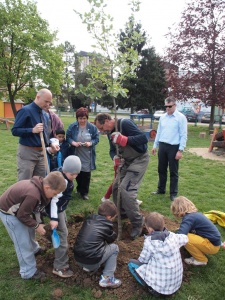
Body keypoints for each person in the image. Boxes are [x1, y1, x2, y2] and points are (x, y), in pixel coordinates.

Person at [0, 171, 66, 280]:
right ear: (47, 187)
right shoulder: (33, 195)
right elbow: (22, 215)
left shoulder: (41, 187)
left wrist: (38, 223)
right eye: (55, 194)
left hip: (22, 211)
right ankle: (28, 272)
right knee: (22, 241)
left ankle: (35, 249)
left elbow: (34, 209)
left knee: (30, 230)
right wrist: (37, 226)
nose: (54, 196)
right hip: (9, 213)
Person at [94, 113, 149, 239]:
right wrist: (115, 157)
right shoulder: (109, 133)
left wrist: (125, 140)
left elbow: (143, 139)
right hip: (125, 162)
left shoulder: (124, 124)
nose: (102, 131)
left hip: (139, 159)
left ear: (108, 120)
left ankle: (137, 222)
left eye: (102, 128)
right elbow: (112, 150)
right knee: (115, 188)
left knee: (126, 190)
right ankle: (123, 214)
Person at [128, 212, 188, 297]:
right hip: (175, 286)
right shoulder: (173, 236)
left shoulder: (150, 242)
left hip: (159, 290)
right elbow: (185, 239)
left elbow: (142, 260)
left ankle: (148, 287)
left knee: (131, 264)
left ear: (151, 230)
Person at [45, 155, 82, 278]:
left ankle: (49, 233)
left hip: (60, 207)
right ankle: (60, 266)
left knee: (63, 229)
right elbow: (54, 201)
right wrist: (54, 218)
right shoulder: (63, 182)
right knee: (62, 235)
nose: (75, 177)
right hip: (55, 209)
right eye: (72, 175)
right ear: (65, 171)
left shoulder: (62, 172)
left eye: (76, 174)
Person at [11, 88, 58, 180]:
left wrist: (50, 144)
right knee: (25, 182)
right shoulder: (25, 110)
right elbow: (15, 130)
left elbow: (44, 134)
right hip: (27, 153)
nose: (48, 104)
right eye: (46, 101)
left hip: (41, 153)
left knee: (40, 182)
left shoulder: (44, 114)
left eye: (49, 102)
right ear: (38, 97)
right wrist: (32, 130)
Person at [73, 201, 121, 288]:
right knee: (115, 248)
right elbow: (111, 240)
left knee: (95, 243)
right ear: (109, 217)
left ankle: (88, 267)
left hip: (78, 258)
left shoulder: (88, 220)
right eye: (113, 218)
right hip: (91, 261)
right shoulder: (106, 226)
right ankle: (107, 278)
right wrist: (113, 233)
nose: (113, 220)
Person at [151, 96, 187, 201]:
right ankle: (161, 189)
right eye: (166, 106)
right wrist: (155, 145)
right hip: (162, 145)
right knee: (161, 169)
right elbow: (159, 132)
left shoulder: (181, 117)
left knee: (173, 171)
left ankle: (173, 193)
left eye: (170, 106)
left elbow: (183, 135)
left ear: (175, 105)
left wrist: (180, 150)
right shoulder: (163, 117)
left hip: (174, 147)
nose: (167, 108)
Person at [171, 196, 222, 266]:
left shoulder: (189, 218)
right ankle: (200, 252)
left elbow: (181, 235)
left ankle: (201, 260)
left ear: (178, 210)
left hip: (212, 246)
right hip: (214, 243)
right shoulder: (195, 215)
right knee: (188, 235)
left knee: (186, 238)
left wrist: (170, 241)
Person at [66, 107, 99, 200]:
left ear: (87, 118)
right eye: (80, 118)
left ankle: (84, 192)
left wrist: (91, 143)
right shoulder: (72, 126)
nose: (82, 120)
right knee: (77, 172)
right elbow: (68, 137)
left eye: (84, 118)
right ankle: (78, 188)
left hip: (87, 153)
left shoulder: (92, 128)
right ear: (77, 118)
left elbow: (96, 138)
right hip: (76, 152)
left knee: (86, 174)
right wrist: (73, 143)